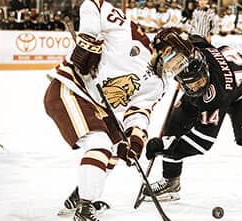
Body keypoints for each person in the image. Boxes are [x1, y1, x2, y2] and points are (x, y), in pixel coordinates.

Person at [143, 28, 242, 218]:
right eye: (190, 83)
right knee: (174, 125)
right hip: (219, 80)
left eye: (197, 82)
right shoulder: (194, 46)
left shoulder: (213, 94)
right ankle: (171, 181)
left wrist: (165, 147)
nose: (195, 87)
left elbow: (202, 142)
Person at [43, 0, 164, 220]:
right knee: (100, 144)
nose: (175, 68)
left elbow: (140, 111)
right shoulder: (134, 38)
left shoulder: (159, 83)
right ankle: (85, 209)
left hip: (95, 103)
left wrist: (135, 139)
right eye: (175, 59)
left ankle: (81, 195)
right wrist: (89, 38)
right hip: (70, 89)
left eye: (181, 65)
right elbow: (94, 4)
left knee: (118, 147)